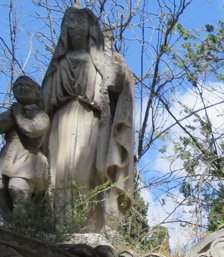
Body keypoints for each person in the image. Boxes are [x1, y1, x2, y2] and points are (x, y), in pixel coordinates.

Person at [42, 6, 134, 233]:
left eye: (79, 25)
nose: (74, 30)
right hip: (59, 124)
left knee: (86, 174)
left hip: (91, 122)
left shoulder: (103, 61)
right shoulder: (58, 63)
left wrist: (117, 71)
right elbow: (43, 102)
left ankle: (88, 228)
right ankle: (57, 228)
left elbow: (119, 83)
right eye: (69, 26)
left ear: (89, 29)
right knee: (56, 177)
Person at [0, 76, 49, 218]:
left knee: (18, 187)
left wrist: (18, 116)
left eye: (26, 85)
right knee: (1, 188)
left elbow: (32, 130)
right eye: (18, 85)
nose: (21, 88)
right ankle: (10, 223)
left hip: (27, 156)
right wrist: (12, 115)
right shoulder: (12, 112)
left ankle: (22, 224)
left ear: (36, 92)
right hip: (7, 155)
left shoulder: (40, 114)